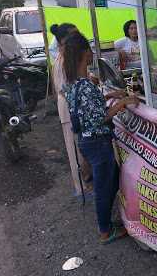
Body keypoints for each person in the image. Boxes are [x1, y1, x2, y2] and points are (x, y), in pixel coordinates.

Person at [63, 32, 138, 244]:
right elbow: (99, 119)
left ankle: (106, 222)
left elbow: (86, 108)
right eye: (89, 50)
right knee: (104, 187)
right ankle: (105, 231)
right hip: (97, 142)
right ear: (83, 54)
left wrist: (108, 96)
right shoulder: (85, 85)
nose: (91, 53)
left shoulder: (74, 82)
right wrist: (123, 103)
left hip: (88, 142)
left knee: (111, 180)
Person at [51, 23, 92, 196]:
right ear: (63, 41)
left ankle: (88, 181)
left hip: (73, 106)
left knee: (81, 149)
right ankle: (81, 188)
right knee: (75, 151)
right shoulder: (61, 61)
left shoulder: (69, 58)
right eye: (74, 35)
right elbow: (64, 88)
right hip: (68, 109)